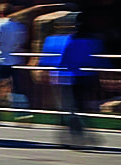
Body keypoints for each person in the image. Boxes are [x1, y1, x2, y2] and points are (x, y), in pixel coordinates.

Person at [41, 14, 103, 142]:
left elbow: (50, 59)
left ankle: (72, 133)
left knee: (67, 106)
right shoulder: (88, 39)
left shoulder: (55, 40)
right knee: (78, 105)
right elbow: (95, 56)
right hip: (83, 75)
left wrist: (47, 69)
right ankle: (76, 133)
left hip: (63, 76)